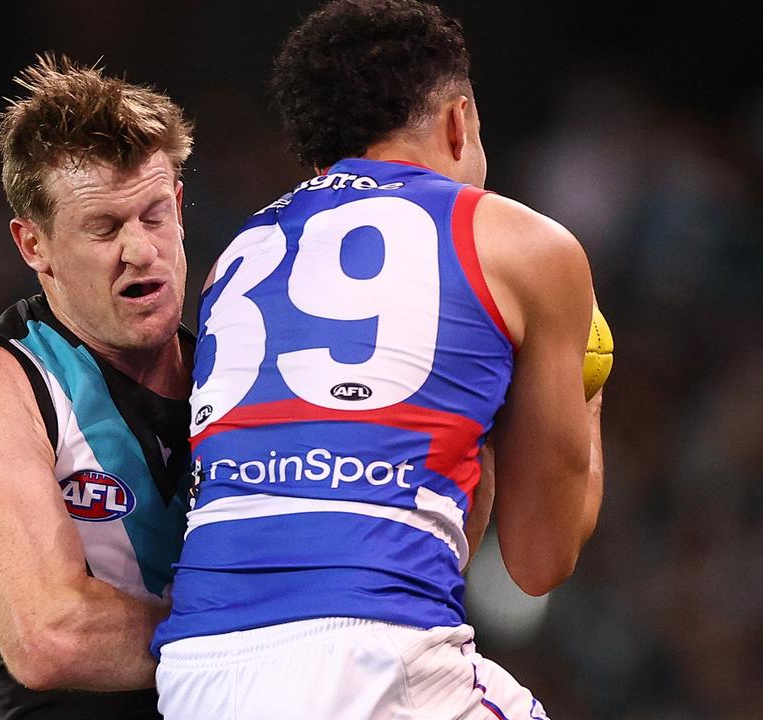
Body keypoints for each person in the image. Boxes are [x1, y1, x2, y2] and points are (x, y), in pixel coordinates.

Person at [153, 1, 606, 718]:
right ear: (459, 121)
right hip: (372, 654)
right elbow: (540, 561)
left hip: (196, 670)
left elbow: (439, 535)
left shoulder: (235, 258)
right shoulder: (525, 246)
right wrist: (588, 390)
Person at [0, 55, 195, 720]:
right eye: (104, 227)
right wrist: (275, 636)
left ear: (178, 205)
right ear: (34, 245)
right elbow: (52, 637)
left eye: (153, 214)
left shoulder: (239, 371)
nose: (140, 250)